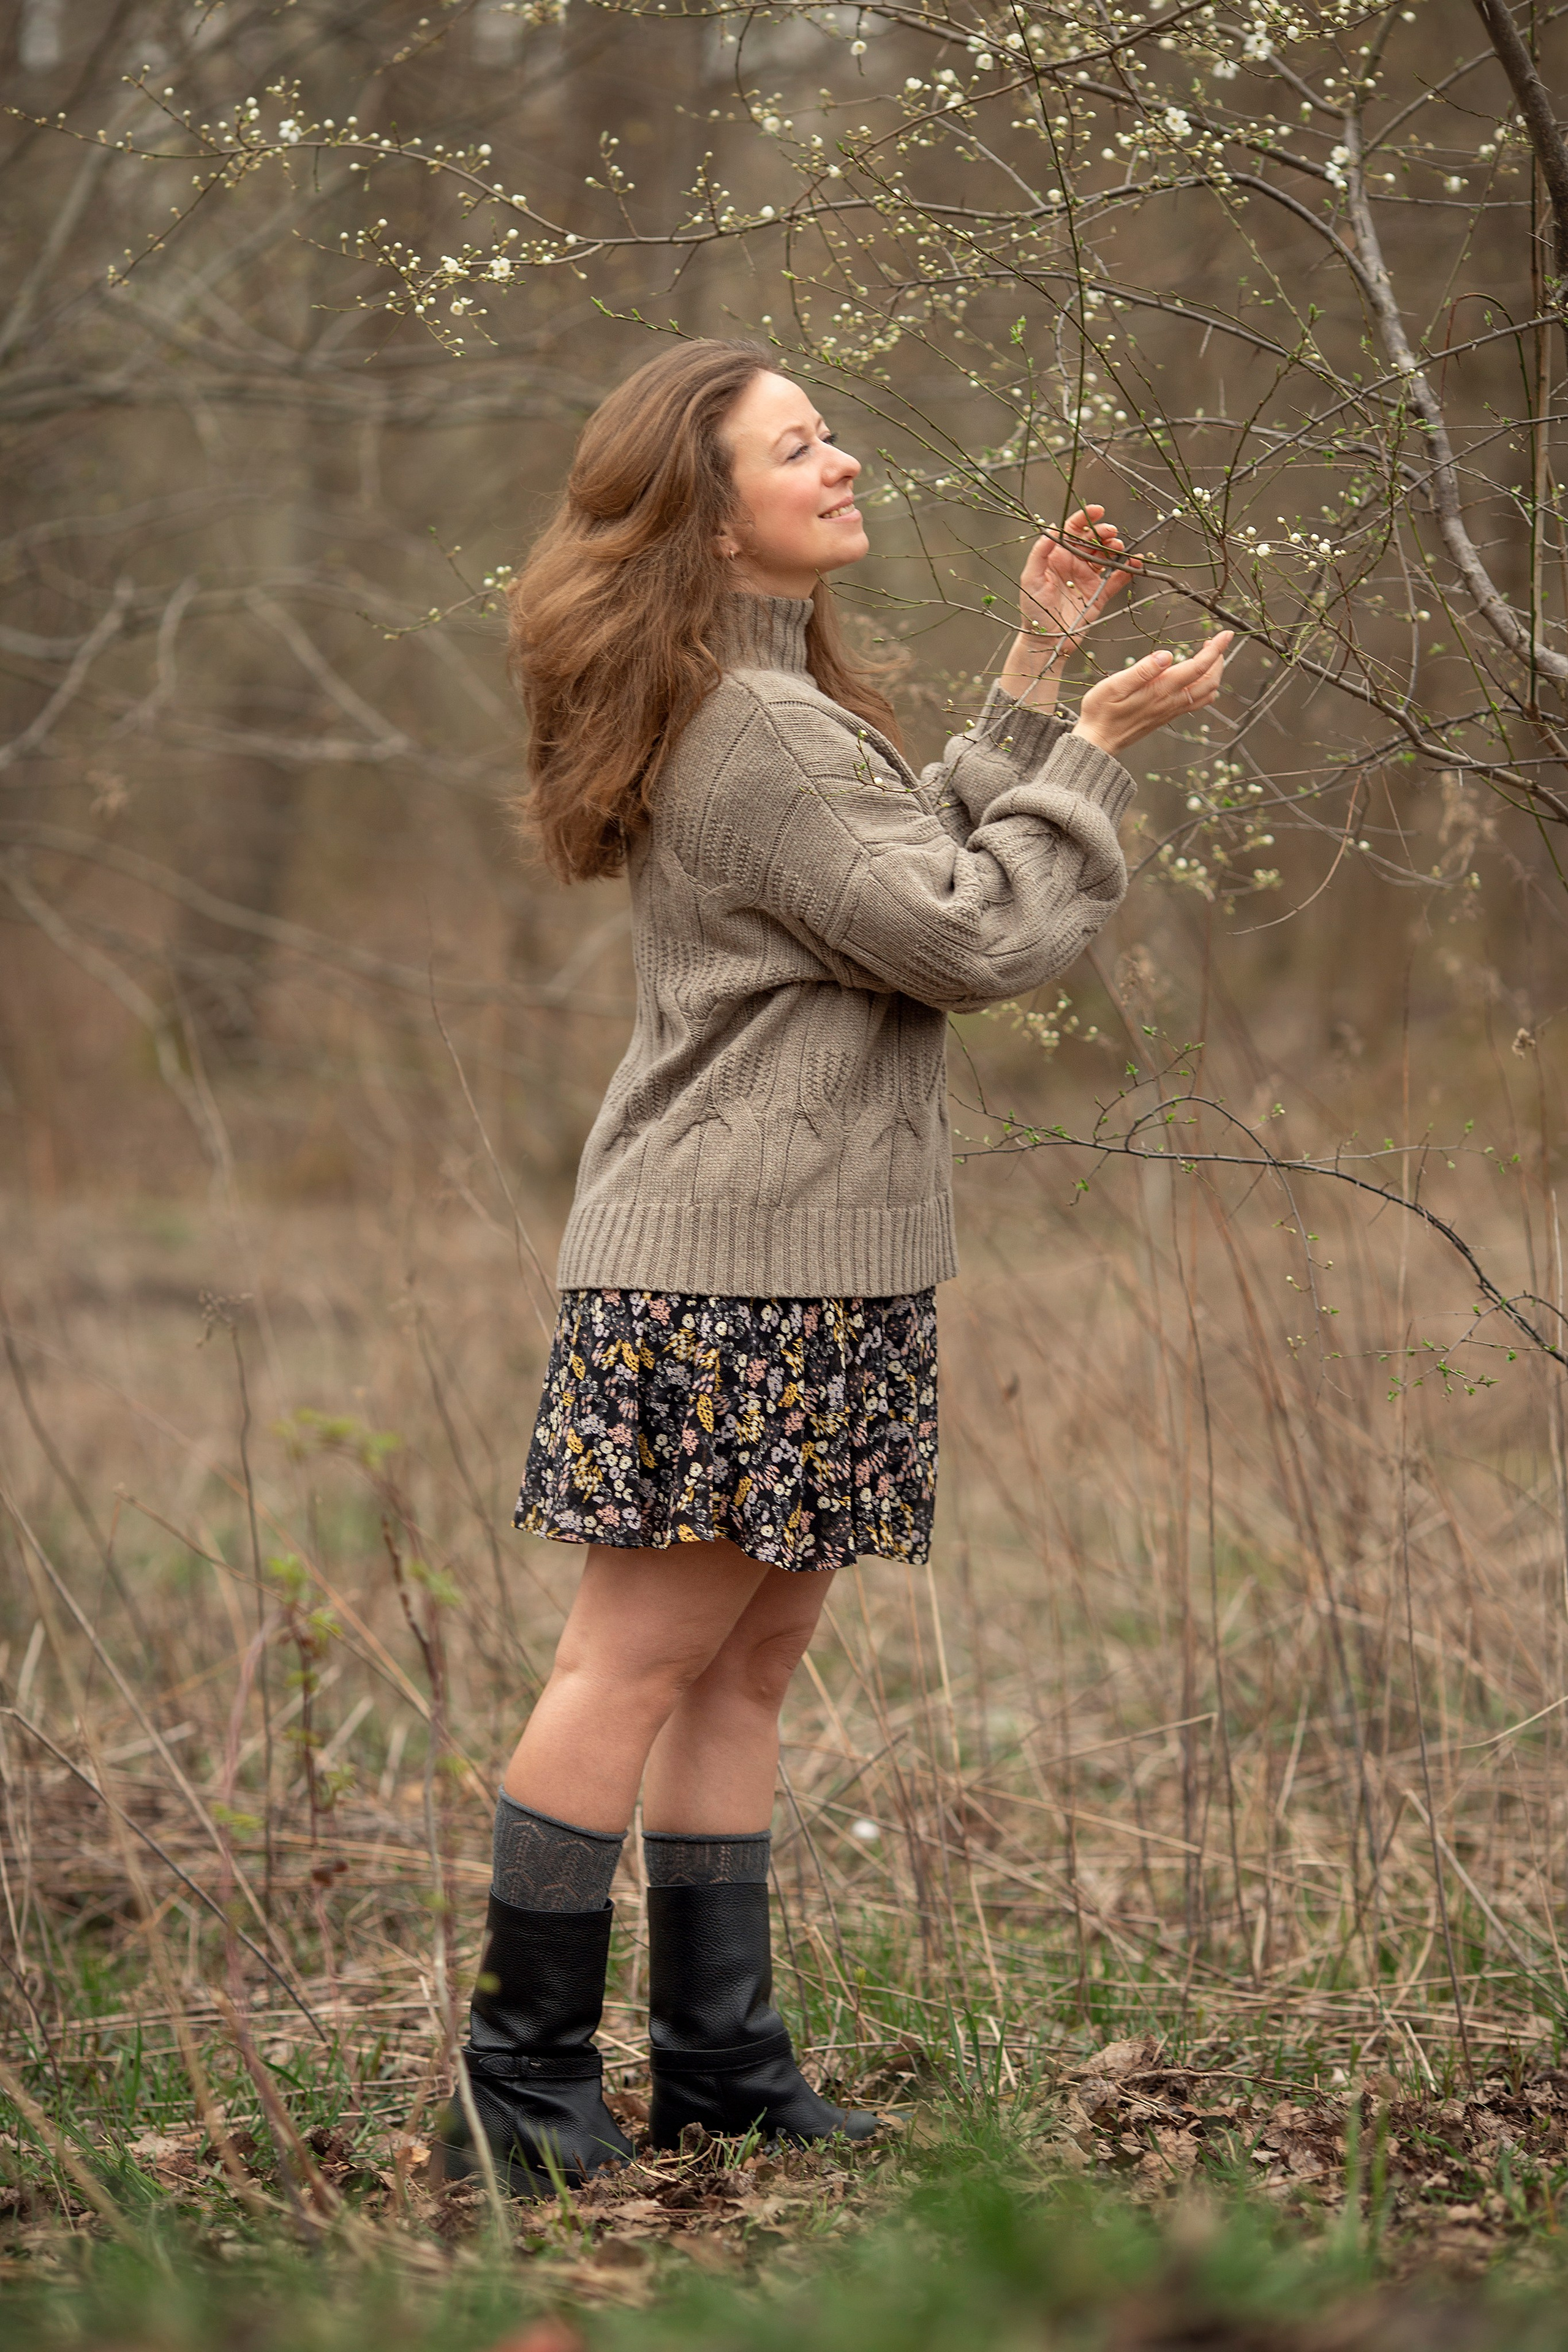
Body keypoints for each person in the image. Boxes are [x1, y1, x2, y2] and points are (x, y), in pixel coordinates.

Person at [437, 339, 1231, 2195]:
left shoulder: (768, 703)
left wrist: (1036, 671)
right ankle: (519, 2085)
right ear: (715, 513)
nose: (846, 459)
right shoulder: (761, 729)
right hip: (731, 1274)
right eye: (802, 448)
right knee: (634, 1662)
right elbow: (958, 935)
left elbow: (892, 865)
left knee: (748, 1669)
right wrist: (1095, 758)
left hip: (814, 1265)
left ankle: (722, 2069)